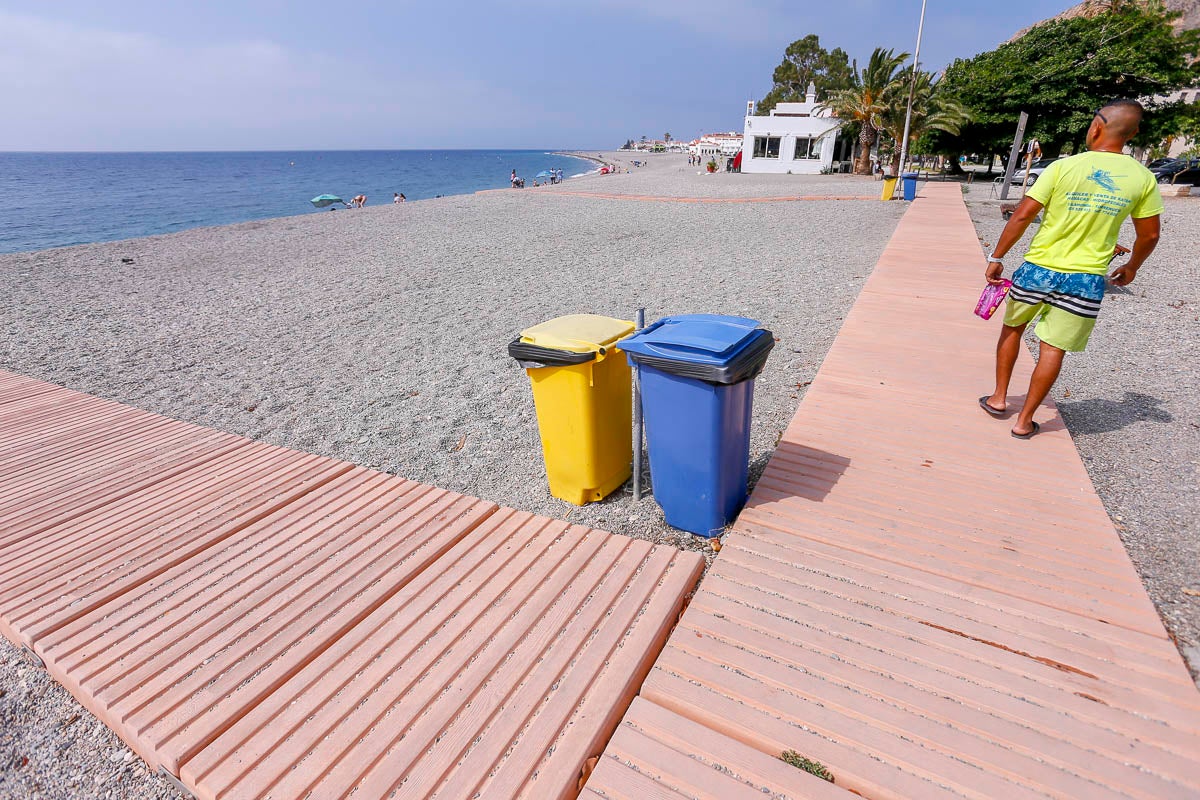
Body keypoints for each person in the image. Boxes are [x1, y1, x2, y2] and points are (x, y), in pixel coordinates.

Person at [981, 99, 1162, 439]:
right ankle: (1025, 422)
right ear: (1133, 133)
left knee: (1013, 329)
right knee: (1053, 349)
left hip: (1038, 268)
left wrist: (997, 256)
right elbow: (1150, 234)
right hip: (1085, 279)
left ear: (1096, 126)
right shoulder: (1143, 178)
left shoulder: (1063, 168)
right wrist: (1132, 267)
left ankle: (999, 398)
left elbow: (1022, 215)